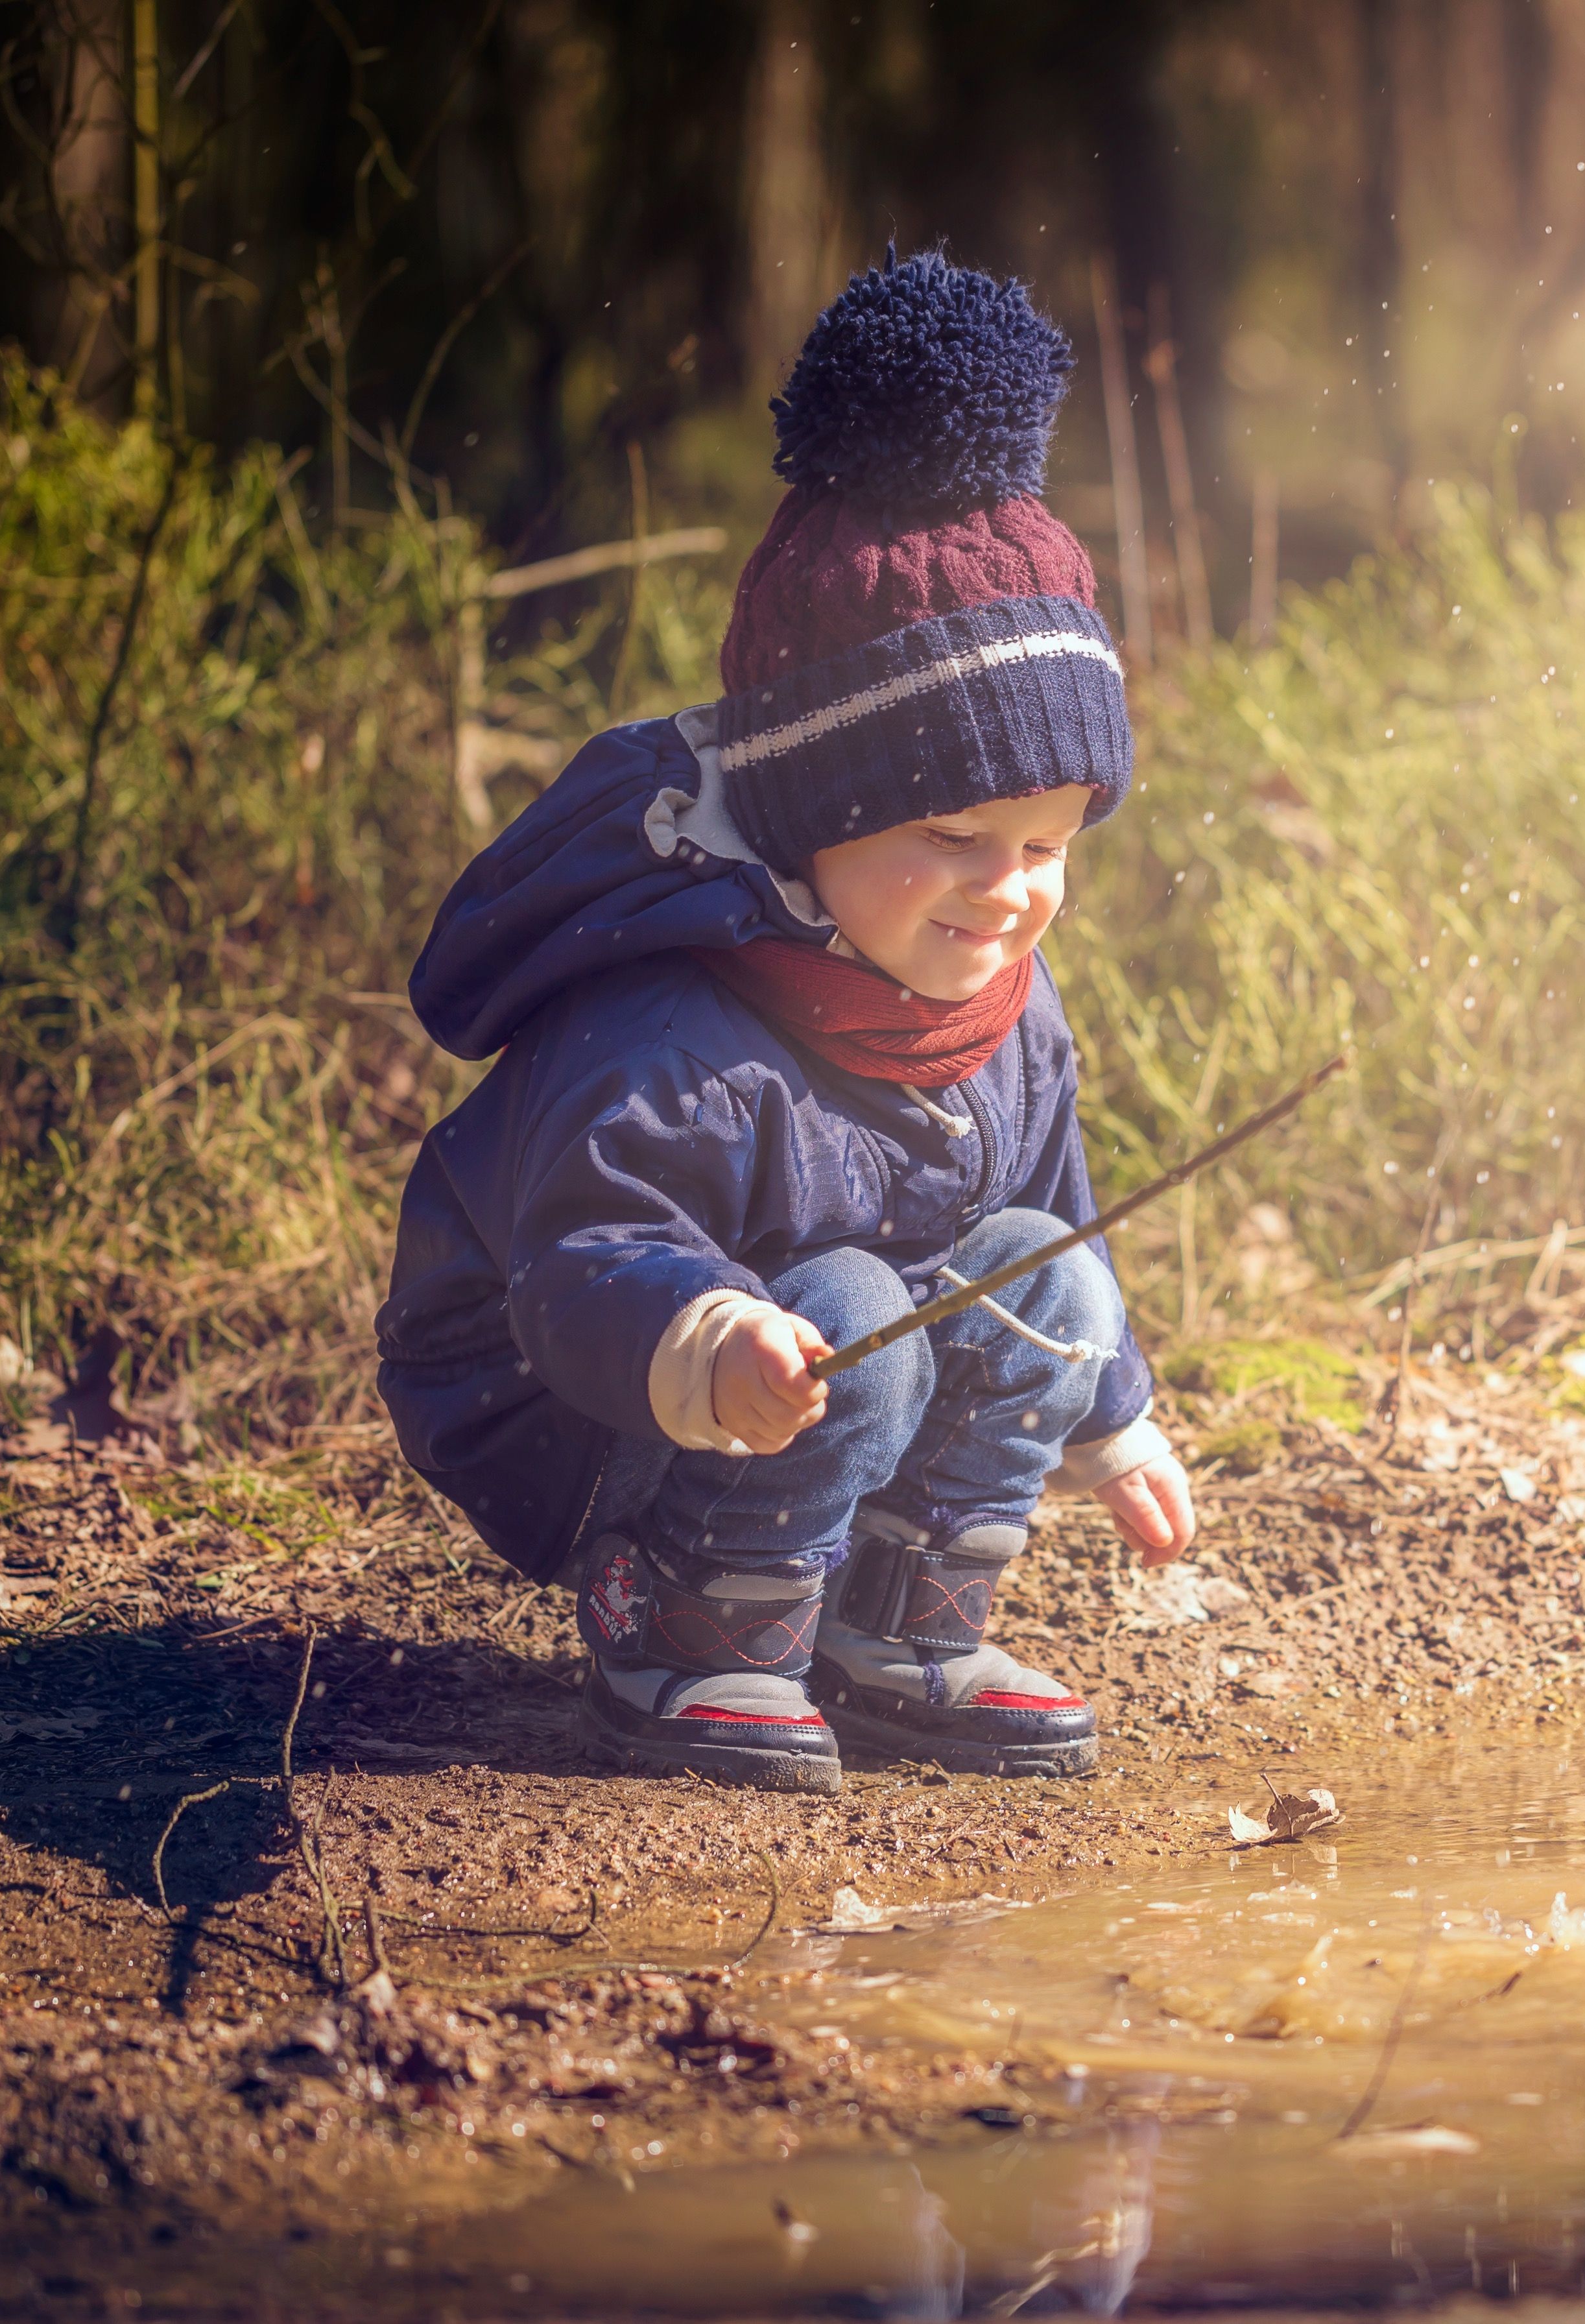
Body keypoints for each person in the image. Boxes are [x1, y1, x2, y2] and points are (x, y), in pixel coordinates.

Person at [375, 253, 1197, 1794]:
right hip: (577, 1375)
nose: (1006, 892)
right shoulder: (677, 1023)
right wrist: (712, 1331)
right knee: (840, 1308)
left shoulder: (998, 1001)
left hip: (805, 1347)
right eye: (953, 835)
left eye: (1046, 843)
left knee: (1045, 1280)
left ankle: (894, 1623)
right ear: (818, 811)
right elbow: (581, 1254)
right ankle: (685, 1624)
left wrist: (1118, 1425)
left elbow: (1055, 1199)